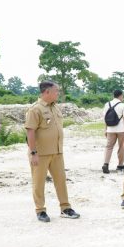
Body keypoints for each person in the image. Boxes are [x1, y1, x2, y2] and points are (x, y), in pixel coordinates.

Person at [25, 81, 80, 222]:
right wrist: (33, 153)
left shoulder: (55, 108)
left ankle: (65, 208)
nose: (58, 93)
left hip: (57, 152)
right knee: (39, 183)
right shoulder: (35, 109)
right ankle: (40, 210)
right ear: (47, 92)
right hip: (40, 153)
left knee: (61, 181)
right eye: (56, 91)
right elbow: (30, 132)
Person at [101, 89, 124, 174]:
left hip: (110, 129)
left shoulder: (107, 104)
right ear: (121, 95)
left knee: (109, 147)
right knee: (121, 147)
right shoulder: (123, 105)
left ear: (113, 95)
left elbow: (105, 117)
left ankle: (106, 164)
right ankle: (120, 166)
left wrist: (105, 129)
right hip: (121, 130)